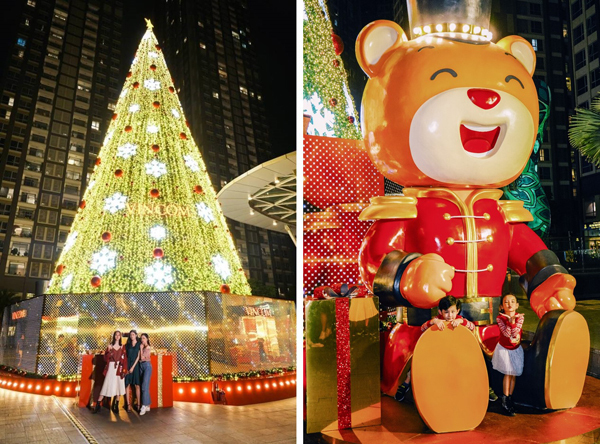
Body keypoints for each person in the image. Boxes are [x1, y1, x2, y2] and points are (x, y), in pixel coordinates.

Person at [395, 296, 475, 402]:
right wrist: (433, 322)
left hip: (453, 356)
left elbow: (472, 327)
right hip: (437, 354)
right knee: (415, 368)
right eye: (446, 312)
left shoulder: (459, 320)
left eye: (453, 311)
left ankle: (482, 388)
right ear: (440, 311)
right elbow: (422, 328)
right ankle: (406, 384)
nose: (450, 315)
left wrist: (461, 322)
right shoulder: (437, 320)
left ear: (457, 311)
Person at [492, 294, 524, 416]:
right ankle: (505, 400)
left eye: (512, 301)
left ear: (517, 305)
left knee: (513, 373)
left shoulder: (520, 317)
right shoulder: (500, 318)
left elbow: (516, 333)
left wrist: (513, 322)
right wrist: (510, 323)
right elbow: (506, 333)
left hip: (515, 349)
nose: (509, 304)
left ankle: (510, 398)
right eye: (506, 302)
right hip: (504, 349)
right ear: (501, 306)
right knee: (508, 373)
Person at [93, 331, 127, 414]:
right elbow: (105, 359)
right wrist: (109, 351)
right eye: (116, 335)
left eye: (119, 335)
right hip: (111, 367)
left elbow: (124, 359)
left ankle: (116, 405)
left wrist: (124, 370)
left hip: (119, 367)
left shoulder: (122, 347)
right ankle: (98, 404)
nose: (117, 336)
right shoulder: (110, 346)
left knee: (118, 386)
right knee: (107, 385)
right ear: (114, 336)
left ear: (120, 337)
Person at [125, 330, 141, 412]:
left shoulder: (139, 344)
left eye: (133, 334)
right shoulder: (127, 345)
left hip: (135, 366)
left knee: (137, 385)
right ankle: (128, 405)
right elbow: (125, 356)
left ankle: (138, 404)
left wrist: (133, 367)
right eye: (130, 335)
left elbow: (138, 356)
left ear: (136, 335)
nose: (132, 336)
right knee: (127, 385)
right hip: (128, 365)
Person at [138, 333, 152, 415]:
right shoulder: (143, 347)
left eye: (143, 338)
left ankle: (144, 405)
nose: (142, 340)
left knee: (144, 386)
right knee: (144, 386)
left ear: (147, 339)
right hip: (141, 366)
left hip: (146, 366)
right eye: (141, 338)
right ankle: (147, 405)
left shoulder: (147, 348)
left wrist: (140, 348)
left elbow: (142, 358)